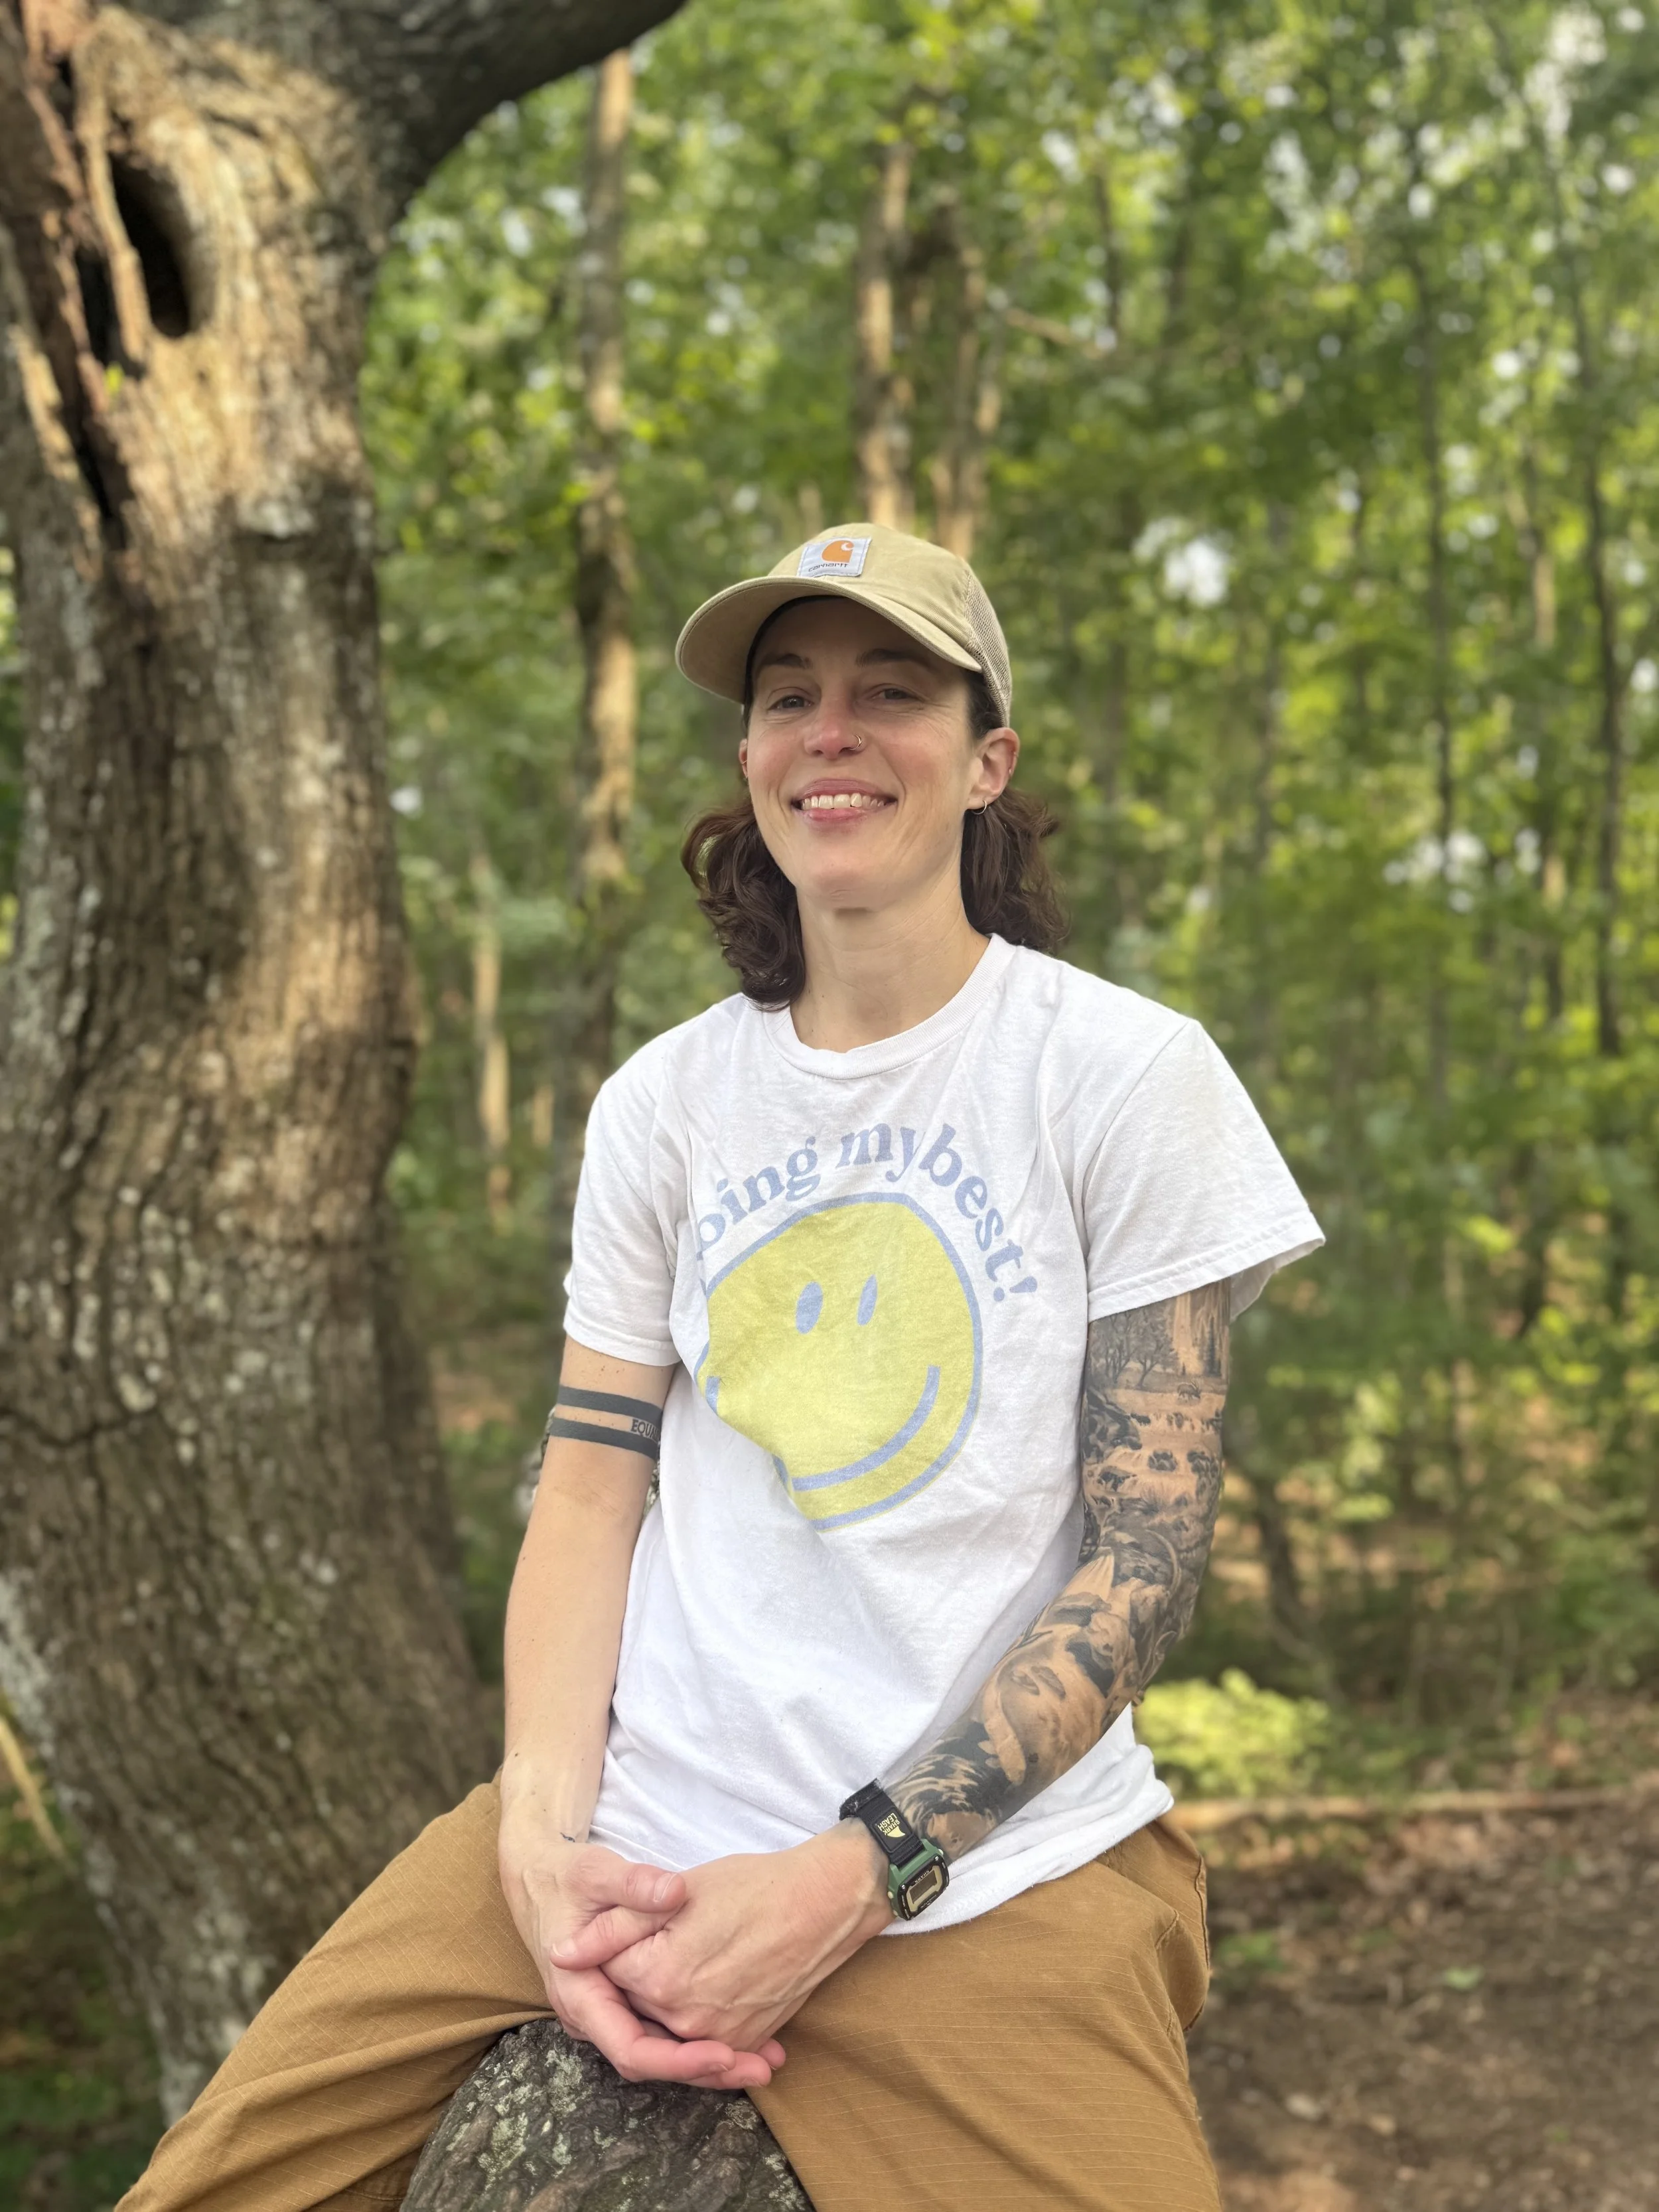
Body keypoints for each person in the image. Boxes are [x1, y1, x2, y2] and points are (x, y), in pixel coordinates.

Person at [122, 524, 1322, 2212]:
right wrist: (539, 1834)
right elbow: (594, 1481)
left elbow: (1143, 1562)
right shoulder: (667, 1102)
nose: (828, 731)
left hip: (986, 1877)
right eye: (786, 697)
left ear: (987, 759)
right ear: (750, 757)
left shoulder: (1121, 1076)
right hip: (630, 1818)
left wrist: (855, 1873)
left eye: (888, 690)